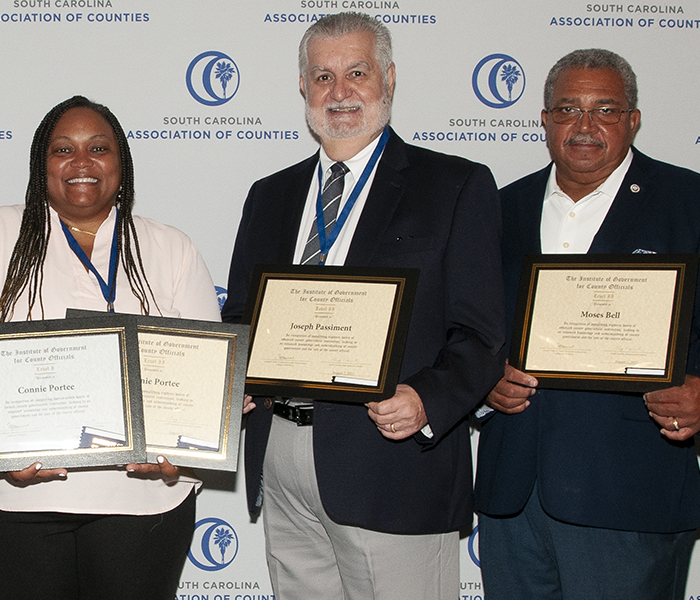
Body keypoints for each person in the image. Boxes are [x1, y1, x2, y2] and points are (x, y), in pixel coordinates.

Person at [220, 12, 507, 599]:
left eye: (357, 72)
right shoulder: (269, 195)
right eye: (322, 76)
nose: (340, 92)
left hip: (391, 458)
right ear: (302, 86)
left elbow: (482, 333)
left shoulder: (455, 185)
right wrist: (232, 374)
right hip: (282, 454)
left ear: (390, 78)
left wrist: (429, 398)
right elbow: (242, 314)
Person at [471, 48, 700, 600]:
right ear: (544, 121)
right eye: (567, 110)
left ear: (632, 120)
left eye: (604, 110)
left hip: (630, 491)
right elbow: (469, 331)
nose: (584, 126)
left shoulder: (695, 204)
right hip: (512, 494)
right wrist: (481, 381)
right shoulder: (499, 209)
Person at [0, 95, 221, 600]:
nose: (82, 162)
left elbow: (206, 380)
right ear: (40, 167)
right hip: (16, 501)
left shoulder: (170, 247)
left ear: (122, 164)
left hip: (144, 500)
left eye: (99, 148)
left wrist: (182, 455)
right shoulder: (1, 232)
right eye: (62, 149)